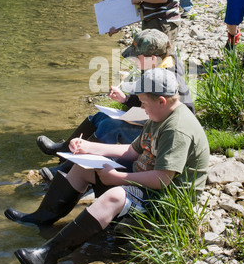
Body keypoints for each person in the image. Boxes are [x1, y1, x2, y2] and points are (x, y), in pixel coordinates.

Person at [4, 68, 210, 264]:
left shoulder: (176, 129)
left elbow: (163, 179)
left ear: (162, 101)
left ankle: (47, 254)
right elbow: (132, 151)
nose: (142, 108)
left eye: (143, 103)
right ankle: (42, 217)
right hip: (148, 175)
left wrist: (118, 178)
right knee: (83, 167)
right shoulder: (159, 115)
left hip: (167, 199)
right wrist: (90, 148)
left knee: (114, 196)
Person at [37, 28, 195, 181]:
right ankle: (64, 150)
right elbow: (148, 100)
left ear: (152, 58)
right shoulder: (156, 66)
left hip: (160, 138)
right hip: (151, 126)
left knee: (110, 126)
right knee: (101, 117)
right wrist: (125, 99)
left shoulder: (170, 78)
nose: (133, 61)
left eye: (136, 58)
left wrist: (145, 118)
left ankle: (67, 168)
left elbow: (181, 118)